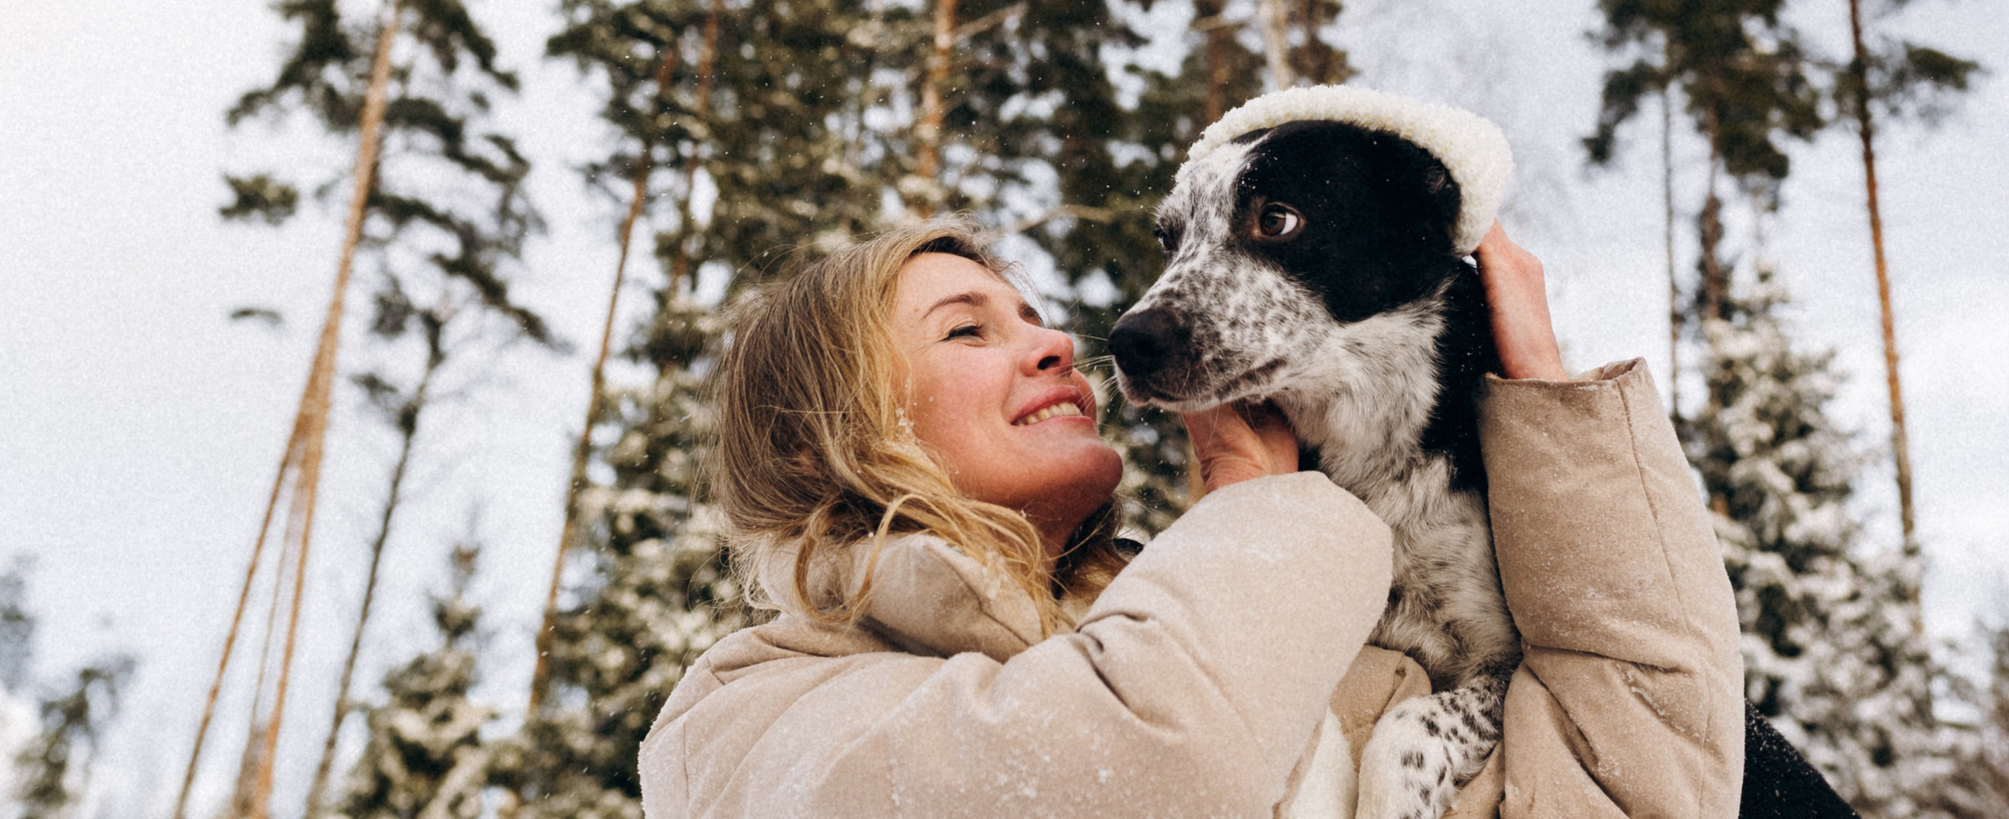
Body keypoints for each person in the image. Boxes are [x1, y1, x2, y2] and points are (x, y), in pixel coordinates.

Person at [639, 215, 1743, 819]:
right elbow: (1145, 767)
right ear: (816, 433)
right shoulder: (745, 718)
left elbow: (1638, 773)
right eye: (966, 330)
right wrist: (1259, 510)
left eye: (1034, 316)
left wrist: (1546, 409)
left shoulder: (1318, 659)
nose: (1054, 341)